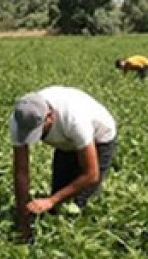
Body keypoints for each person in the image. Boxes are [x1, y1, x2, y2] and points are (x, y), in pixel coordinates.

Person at [9, 87, 118, 239]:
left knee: (76, 205)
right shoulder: (20, 120)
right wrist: (23, 220)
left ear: (50, 117)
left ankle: (77, 245)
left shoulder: (74, 119)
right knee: (56, 205)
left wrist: (51, 200)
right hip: (65, 143)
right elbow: (21, 172)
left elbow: (91, 174)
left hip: (99, 138)